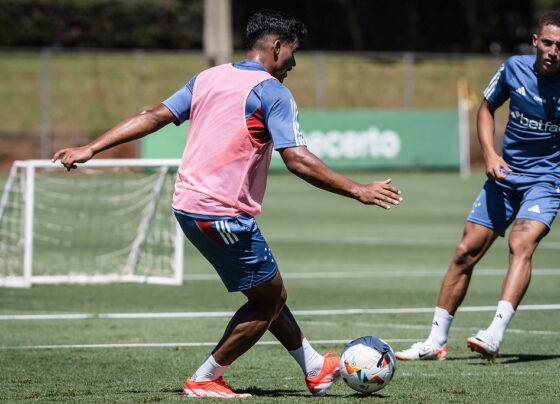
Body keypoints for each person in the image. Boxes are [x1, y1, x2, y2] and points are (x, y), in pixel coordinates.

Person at [52, 9, 402, 398]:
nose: (294, 63)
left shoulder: (209, 77)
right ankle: (205, 378)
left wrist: (91, 147)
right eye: (293, 53)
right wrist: (359, 190)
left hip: (188, 206)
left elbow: (153, 114)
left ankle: (315, 368)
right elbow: (298, 158)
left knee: (268, 293)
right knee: (268, 300)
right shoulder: (273, 92)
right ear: (276, 46)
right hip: (221, 214)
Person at [395, 10, 560, 362]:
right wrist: (488, 153)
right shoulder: (514, 68)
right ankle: (435, 342)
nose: (553, 50)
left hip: (546, 181)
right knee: (465, 252)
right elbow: (486, 108)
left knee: (520, 243)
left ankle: (494, 334)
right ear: (535, 41)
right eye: (547, 42)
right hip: (504, 175)